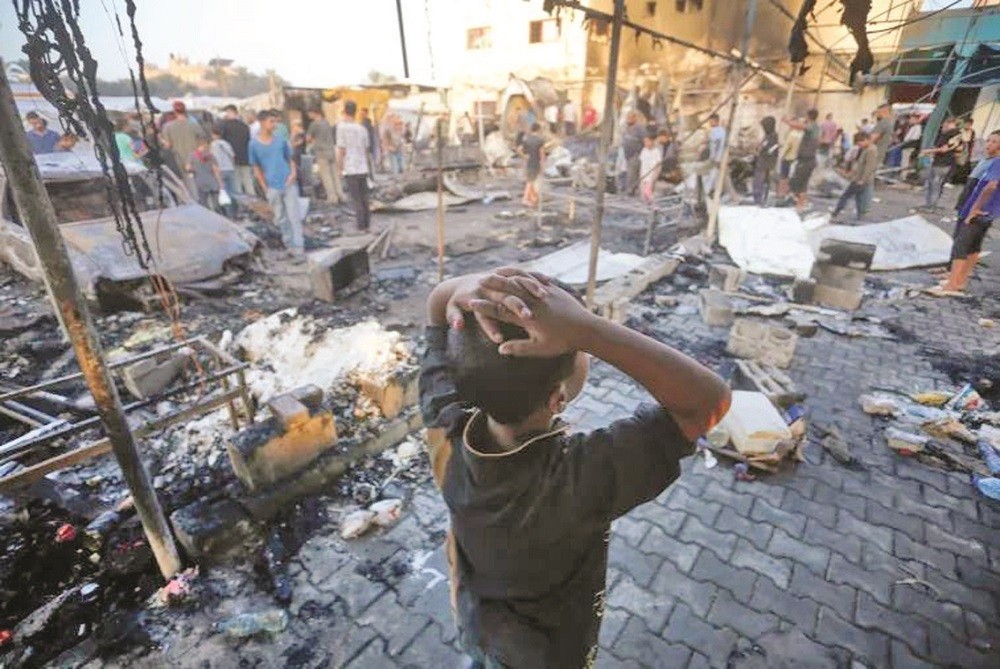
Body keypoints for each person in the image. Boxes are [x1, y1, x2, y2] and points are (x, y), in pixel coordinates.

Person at [418, 268, 730, 668]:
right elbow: (710, 402)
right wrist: (588, 329)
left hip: (478, 621)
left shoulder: (445, 425)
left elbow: (435, 311)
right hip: (548, 655)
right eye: (578, 348)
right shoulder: (581, 478)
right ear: (557, 398)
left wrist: (458, 288)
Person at [932, 129, 1000, 295]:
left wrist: (975, 209)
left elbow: (990, 186)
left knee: (961, 245)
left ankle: (952, 283)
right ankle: (961, 280)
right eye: (989, 140)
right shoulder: (990, 161)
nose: (989, 144)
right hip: (988, 212)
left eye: (994, 142)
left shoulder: (997, 162)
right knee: (973, 246)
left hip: (979, 211)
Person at [249, 110, 304, 257]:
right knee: (280, 218)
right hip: (272, 186)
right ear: (262, 122)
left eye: (275, 121)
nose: (274, 125)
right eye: (271, 122)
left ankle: (299, 248)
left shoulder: (280, 140)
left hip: (288, 182)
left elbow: (289, 158)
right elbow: (257, 168)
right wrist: (265, 187)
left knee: (294, 216)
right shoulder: (253, 145)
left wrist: (293, 174)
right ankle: (289, 246)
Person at [337, 100, 372, 232]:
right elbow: (366, 149)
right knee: (364, 197)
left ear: (344, 111)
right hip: (362, 166)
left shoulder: (341, 128)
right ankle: (367, 223)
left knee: (356, 198)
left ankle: (360, 226)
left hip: (351, 167)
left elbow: (341, 150)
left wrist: (339, 168)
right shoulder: (362, 128)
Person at [831, 132, 876, 222]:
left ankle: (835, 213)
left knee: (846, 196)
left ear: (866, 140)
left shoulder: (871, 151)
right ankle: (860, 217)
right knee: (860, 198)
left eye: (860, 143)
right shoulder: (867, 149)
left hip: (861, 179)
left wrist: (862, 179)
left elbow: (869, 167)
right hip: (860, 178)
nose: (859, 146)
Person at [161, 101, 205, 193]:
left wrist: (161, 141)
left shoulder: (167, 127)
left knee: (182, 186)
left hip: (177, 159)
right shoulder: (194, 125)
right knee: (196, 183)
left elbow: (167, 145)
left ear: (174, 111)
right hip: (194, 158)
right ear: (185, 110)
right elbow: (202, 142)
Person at [920, 117, 963, 208]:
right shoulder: (956, 135)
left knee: (934, 185)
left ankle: (930, 205)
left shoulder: (953, 134)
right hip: (944, 162)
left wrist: (928, 151)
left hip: (942, 163)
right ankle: (930, 204)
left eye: (946, 123)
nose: (944, 126)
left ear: (951, 123)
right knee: (934, 185)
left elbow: (944, 149)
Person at [784, 109, 820, 211]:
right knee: (803, 184)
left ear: (809, 116)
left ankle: (796, 202)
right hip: (808, 159)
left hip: (806, 160)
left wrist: (788, 122)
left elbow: (802, 126)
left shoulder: (812, 126)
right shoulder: (816, 127)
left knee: (796, 182)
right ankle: (800, 205)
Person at [306, 108, 342, 204]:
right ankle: (340, 195)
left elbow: (308, 138)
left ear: (313, 112)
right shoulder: (326, 122)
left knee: (326, 177)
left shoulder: (314, 124)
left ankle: (332, 198)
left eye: (309, 113)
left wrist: (313, 141)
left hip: (322, 153)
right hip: (331, 151)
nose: (308, 115)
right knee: (335, 175)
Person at [217, 105, 254, 197]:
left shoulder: (224, 126)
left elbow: (221, 143)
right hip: (246, 157)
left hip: (232, 159)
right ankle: (254, 202)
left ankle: (243, 204)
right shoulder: (244, 126)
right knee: (248, 181)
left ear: (230, 112)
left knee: (236, 183)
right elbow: (249, 140)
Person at [187, 136, 224, 212]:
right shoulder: (210, 156)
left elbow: (188, 168)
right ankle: (218, 216)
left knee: (203, 203)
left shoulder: (192, 155)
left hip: (200, 182)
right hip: (212, 182)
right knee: (216, 203)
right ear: (206, 145)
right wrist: (220, 183)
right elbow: (215, 170)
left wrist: (195, 169)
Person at [517, 123, 545, 209]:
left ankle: (533, 197)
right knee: (530, 181)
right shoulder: (539, 140)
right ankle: (525, 199)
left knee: (530, 179)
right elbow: (542, 154)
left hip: (528, 161)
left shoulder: (526, 139)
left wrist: (524, 156)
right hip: (535, 162)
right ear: (539, 130)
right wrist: (542, 165)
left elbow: (519, 149)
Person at [753, 116, 780, 206]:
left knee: (760, 180)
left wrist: (761, 148)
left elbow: (770, 149)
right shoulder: (768, 135)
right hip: (765, 161)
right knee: (763, 180)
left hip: (766, 161)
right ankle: (760, 198)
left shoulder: (773, 136)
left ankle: (760, 198)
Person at [210, 126, 236, 216]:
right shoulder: (226, 143)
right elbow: (232, 156)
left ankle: (228, 213)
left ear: (213, 134)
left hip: (220, 170)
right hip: (229, 168)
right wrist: (232, 166)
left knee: (223, 191)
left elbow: (213, 159)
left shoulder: (213, 145)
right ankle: (235, 210)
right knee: (231, 191)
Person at [622, 112, 645, 196]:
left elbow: (644, 140)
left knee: (632, 174)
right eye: (627, 117)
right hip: (627, 155)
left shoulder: (639, 128)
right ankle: (629, 190)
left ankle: (631, 192)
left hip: (635, 155)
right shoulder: (627, 128)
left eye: (631, 117)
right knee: (628, 173)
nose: (628, 119)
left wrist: (639, 153)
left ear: (635, 118)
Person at [777, 126, 802, 200]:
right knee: (790, 177)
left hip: (787, 157)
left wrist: (780, 155)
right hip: (795, 158)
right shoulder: (801, 135)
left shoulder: (791, 135)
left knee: (783, 177)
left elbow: (787, 146)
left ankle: (781, 194)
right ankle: (788, 193)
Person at [705, 113, 727, 194]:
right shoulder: (713, 131)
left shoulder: (720, 131)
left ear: (716, 121)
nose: (710, 123)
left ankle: (707, 192)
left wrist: (717, 158)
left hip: (718, 157)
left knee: (713, 175)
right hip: (714, 157)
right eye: (709, 121)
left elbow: (719, 146)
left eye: (711, 121)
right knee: (714, 176)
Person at [638, 134, 661, 205]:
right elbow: (641, 163)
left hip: (651, 175)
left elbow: (658, 165)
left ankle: (653, 205)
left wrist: (655, 176)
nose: (646, 143)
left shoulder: (656, 151)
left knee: (648, 192)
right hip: (643, 174)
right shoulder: (644, 150)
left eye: (647, 141)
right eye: (645, 142)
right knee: (643, 193)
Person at [870, 103, 893, 168]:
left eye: (878, 112)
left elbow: (872, 139)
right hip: (883, 154)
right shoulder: (890, 123)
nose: (877, 114)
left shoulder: (882, 123)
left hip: (875, 154)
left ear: (884, 111)